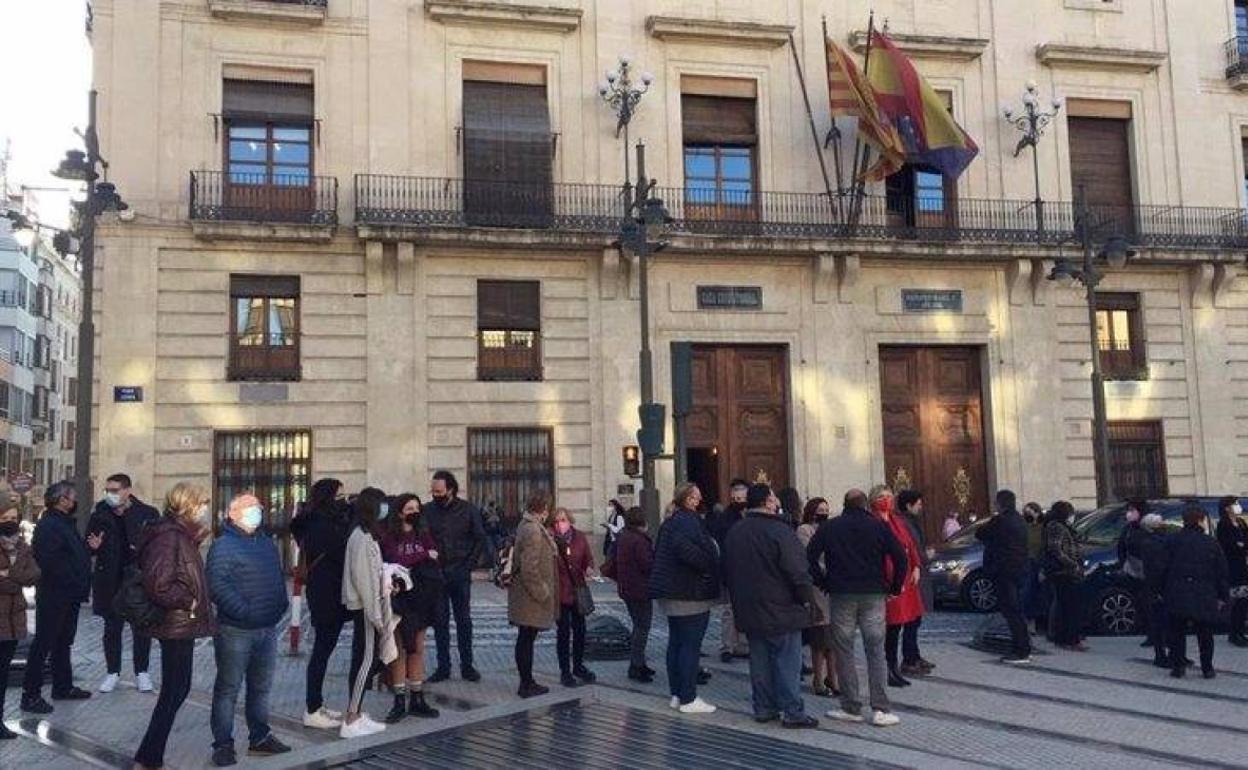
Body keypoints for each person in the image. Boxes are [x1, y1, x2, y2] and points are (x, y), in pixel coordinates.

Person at [134, 483, 217, 770]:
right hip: (176, 621)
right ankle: (148, 757)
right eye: (201, 502)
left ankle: (150, 755)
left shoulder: (180, 534)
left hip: (181, 622)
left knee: (178, 688)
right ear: (188, 505)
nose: (205, 508)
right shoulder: (170, 536)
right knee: (175, 689)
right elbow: (159, 583)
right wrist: (189, 601)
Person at [807, 488, 907, 727]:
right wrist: (894, 587)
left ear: (844, 504)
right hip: (873, 594)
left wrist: (823, 582)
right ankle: (881, 709)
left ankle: (851, 706)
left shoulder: (830, 527)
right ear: (864, 505)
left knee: (844, 649)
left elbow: (809, 556)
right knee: (876, 650)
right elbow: (900, 556)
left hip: (841, 594)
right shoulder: (878, 526)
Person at [206, 494, 292, 766]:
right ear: (233, 514)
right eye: (251, 509)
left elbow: (278, 577)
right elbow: (217, 585)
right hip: (236, 630)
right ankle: (223, 744)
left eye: (259, 508)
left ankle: (260, 738)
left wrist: (281, 605)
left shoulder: (266, 543)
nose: (257, 512)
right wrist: (244, 611)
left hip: (267, 629)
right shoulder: (223, 546)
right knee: (228, 689)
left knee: (261, 688)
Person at [724, 483, 819, 728]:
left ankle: (764, 707)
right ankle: (792, 711)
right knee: (787, 660)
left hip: (749, 607)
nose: (776, 501)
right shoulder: (780, 531)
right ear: (768, 501)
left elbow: (728, 569)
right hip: (781, 607)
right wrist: (808, 599)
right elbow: (797, 570)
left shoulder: (736, 531)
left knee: (760, 660)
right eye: (774, 497)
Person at [21, 481, 92, 714]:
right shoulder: (49, 525)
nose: (74, 502)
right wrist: (71, 579)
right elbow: (50, 562)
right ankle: (30, 695)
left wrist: (89, 551)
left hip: (69, 594)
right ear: (62, 500)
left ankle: (63, 686)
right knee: (44, 643)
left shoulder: (64, 524)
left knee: (63, 642)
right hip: (54, 594)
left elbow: (72, 555)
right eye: (72, 498)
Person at [649, 482, 720, 714]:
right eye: (696, 496)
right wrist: (709, 561)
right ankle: (689, 697)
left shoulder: (670, 523)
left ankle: (677, 694)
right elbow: (690, 552)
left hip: (673, 593)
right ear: (688, 499)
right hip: (690, 593)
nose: (700, 499)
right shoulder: (688, 522)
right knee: (690, 646)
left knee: (676, 644)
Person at [86, 473, 160, 694]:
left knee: (141, 627)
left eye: (115, 490)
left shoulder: (147, 513)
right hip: (109, 580)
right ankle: (113, 672)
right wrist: (94, 546)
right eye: (107, 490)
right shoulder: (100, 512)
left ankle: (142, 672)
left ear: (127, 490)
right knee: (112, 628)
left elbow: (156, 546)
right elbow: (87, 544)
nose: (110, 494)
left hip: (137, 580)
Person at [289, 477, 353, 729]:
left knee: (323, 650)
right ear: (328, 498)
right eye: (339, 496)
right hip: (327, 595)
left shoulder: (313, 521)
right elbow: (339, 551)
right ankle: (312, 708)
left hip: (326, 592)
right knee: (321, 651)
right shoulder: (320, 525)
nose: (343, 500)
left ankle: (316, 704)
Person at [379, 493, 442, 722]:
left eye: (417, 507)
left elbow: (435, 554)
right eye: (409, 508)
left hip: (422, 597)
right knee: (399, 649)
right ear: (399, 512)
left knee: (417, 648)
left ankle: (417, 697)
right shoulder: (390, 536)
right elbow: (396, 559)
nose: (414, 512)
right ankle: (398, 700)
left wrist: (425, 554)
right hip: (400, 598)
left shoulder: (423, 533)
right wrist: (424, 555)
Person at [340, 487, 397, 738]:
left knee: (364, 659)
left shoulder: (365, 535)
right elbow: (363, 580)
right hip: (366, 608)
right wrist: (376, 615)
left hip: (369, 604)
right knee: (366, 661)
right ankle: (351, 718)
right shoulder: (361, 538)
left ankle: (356, 712)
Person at [425, 470, 490, 683]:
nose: (436, 494)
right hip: (437, 574)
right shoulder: (428, 511)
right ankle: (443, 666)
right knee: (439, 621)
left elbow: (480, 539)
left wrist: (468, 566)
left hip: (460, 573)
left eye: (440, 491)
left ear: (451, 489)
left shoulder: (468, 510)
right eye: (433, 491)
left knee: (464, 620)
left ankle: (467, 666)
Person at [1165, 505, 1229, 679]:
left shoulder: (1172, 541)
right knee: (1205, 633)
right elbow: (1221, 571)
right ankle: (1207, 668)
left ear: (1184, 521)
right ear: (1201, 520)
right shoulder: (1210, 543)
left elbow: (1162, 567)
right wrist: (1223, 595)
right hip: (1204, 593)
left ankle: (1178, 667)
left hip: (1178, 591)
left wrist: (1162, 590)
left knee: (1177, 631)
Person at [870, 487, 924, 688]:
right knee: (889, 627)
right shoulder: (874, 521)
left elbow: (910, 545)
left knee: (898, 625)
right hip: (887, 580)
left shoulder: (897, 521)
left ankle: (893, 668)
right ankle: (886, 669)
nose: (887, 500)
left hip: (905, 579)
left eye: (889, 497)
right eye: (882, 497)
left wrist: (916, 565)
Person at [508, 489, 559, 698]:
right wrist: (542, 592)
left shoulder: (529, 525)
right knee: (526, 638)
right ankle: (526, 683)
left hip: (525, 595)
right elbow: (530, 567)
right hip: (529, 597)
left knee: (526, 638)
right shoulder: (533, 530)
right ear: (544, 508)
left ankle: (527, 681)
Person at [976, 490, 1031, 664]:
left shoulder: (1000, 520)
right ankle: (1023, 646)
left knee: (1011, 611)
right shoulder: (1020, 520)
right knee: (1017, 610)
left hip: (1004, 571)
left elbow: (980, 533)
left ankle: (1020, 650)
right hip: (1019, 569)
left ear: (1000, 504)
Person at [0, 494, 39, 739]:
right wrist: (16, 578)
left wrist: (7, 575)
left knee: (3, 675)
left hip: (13, 623)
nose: (10, 522)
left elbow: (34, 575)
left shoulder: (23, 546)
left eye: (14, 518)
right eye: (5, 518)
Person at [549, 507, 596, 687]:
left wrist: (589, 568)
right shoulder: (550, 540)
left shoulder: (579, 537)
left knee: (580, 631)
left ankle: (578, 665)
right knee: (563, 632)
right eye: (557, 520)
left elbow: (588, 559)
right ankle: (565, 671)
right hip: (560, 592)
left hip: (577, 590)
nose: (560, 523)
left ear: (570, 520)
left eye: (563, 519)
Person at [797, 498, 837, 696]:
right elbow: (811, 556)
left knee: (833, 635)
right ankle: (818, 679)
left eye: (826, 510)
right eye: (820, 510)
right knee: (820, 634)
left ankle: (833, 676)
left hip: (832, 586)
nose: (824, 513)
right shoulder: (804, 530)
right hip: (816, 586)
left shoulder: (830, 528)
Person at [612, 505, 655, 682]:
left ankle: (639, 663)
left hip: (629, 589)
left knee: (639, 626)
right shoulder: (639, 540)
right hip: (640, 590)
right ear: (642, 522)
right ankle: (636, 665)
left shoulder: (625, 538)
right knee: (642, 627)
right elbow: (647, 565)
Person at [708, 478, 748, 663]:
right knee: (729, 610)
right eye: (735, 498)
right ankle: (727, 646)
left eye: (742, 497)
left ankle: (743, 644)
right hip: (731, 569)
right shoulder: (724, 518)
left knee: (747, 608)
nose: (739, 501)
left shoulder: (753, 515)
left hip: (751, 570)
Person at [895, 489, 934, 677]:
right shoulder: (904, 524)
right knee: (911, 620)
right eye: (918, 504)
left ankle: (914, 655)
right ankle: (909, 659)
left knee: (915, 620)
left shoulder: (911, 522)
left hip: (917, 576)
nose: (921, 507)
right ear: (909, 505)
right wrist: (926, 557)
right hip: (912, 578)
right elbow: (912, 550)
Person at [1041, 501, 1086, 652]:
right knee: (1070, 607)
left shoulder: (1058, 526)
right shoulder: (1057, 527)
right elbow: (1056, 549)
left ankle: (1064, 638)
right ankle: (1070, 639)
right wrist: (1072, 563)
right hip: (1064, 572)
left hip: (1064, 572)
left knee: (1065, 605)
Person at [1136, 513, 1173, 667]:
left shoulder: (1155, 541)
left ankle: (1170, 653)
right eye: (1160, 522)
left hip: (1160, 586)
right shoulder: (1152, 543)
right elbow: (1157, 568)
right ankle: (1162, 655)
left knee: (1166, 622)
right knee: (1161, 622)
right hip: (1159, 587)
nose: (1163, 524)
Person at [1214, 496, 1247, 647]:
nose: (1237, 506)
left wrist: (1241, 545)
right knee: (1236, 601)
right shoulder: (1223, 525)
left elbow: (1244, 542)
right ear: (1227, 507)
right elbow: (1226, 546)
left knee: (1244, 601)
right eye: (1235, 504)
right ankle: (1234, 633)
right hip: (1232, 567)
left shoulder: (1240, 522)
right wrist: (1238, 546)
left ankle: (1240, 631)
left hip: (1243, 566)